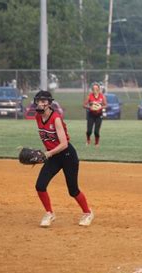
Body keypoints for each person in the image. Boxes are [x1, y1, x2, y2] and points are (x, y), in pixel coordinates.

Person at [34, 90, 94, 227]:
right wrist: (45, 153)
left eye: (43, 101)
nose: (40, 103)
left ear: (49, 103)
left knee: (73, 190)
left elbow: (64, 144)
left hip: (67, 156)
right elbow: (48, 139)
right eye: (38, 101)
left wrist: (48, 154)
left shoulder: (55, 118)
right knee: (40, 186)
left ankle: (88, 212)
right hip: (53, 156)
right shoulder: (38, 117)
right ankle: (49, 213)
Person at [83, 82, 107, 147]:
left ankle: (96, 143)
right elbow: (84, 105)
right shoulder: (89, 96)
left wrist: (100, 107)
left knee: (96, 131)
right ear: (92, 89)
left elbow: (105, 105)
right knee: (89, 131)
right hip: (91, 115)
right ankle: (88, 140)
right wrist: (90, 107)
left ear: (99, 89)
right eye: (94, 88)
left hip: (99, 115)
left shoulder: (102, 96)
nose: (95, 90)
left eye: (96, 88)